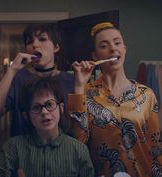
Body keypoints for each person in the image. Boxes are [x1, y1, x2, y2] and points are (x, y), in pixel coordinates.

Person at [68, 22, 162, 177]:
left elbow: (156, 147)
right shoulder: (85, 93)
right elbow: (77, 143)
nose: (113, 48)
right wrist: (79, 86)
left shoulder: (147, 95)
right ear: (95, 56)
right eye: (104, 46)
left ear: (124, 48)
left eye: (117, 43)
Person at [0, 76, 94, 177]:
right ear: (26, 115)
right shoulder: (14, 148)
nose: (44, 112)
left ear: (61, 108)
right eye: (36, 107)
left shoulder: (78, 150)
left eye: (49, 104)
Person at [0, 23, 74, 136]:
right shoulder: (18, 77)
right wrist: (12, 70)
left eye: (42, 39)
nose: (35, 45)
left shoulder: (70, 80)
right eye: (29, 42)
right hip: (23, 151)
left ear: (56, 47)